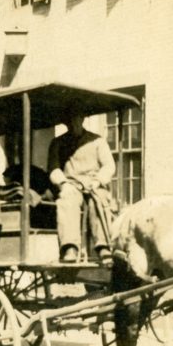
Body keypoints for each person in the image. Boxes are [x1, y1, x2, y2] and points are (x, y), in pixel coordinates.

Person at [48, 112, 115, 263]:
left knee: (98, 199)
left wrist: (98, 181)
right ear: (66, 122)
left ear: (83, 119)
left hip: (93, 183)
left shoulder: (97, 141)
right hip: (71, 183)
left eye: (77, 118)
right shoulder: (57, 143)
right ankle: (70, 247)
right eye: (70, 120)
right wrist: (63, 183)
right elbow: (54, 168)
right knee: (66, 198)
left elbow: (109, 166)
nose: (74, 123)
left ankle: (103, 247)